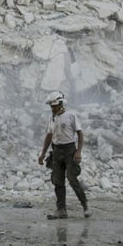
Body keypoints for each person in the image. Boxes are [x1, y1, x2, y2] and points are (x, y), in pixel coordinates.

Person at [38, 91, 91, 219]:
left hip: (69, 151)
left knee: (72, 179)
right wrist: (43, 153)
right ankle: (61, 210)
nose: (52, 109)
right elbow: (49, 136)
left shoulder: (71, 116)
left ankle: (85, 205)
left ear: (61, 104)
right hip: (56, 151)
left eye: (54, 106)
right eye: (51, 107)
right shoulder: (51, 118)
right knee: (58, 181)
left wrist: (78, 152)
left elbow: (80, 134)